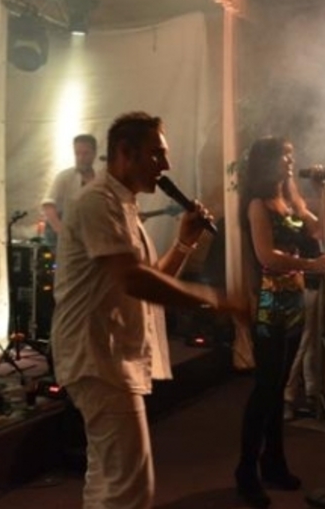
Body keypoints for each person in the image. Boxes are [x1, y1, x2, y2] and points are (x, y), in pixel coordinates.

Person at [51, 112, 245, 509]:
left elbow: (149, 279)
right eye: (157, 154)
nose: (166, 165)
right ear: (125, 152)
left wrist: (185, 242)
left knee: (108, 480)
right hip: (96, 357)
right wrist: (215, 300)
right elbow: (134, 280)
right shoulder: (98, 202)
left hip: (107, 355)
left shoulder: (124, 205)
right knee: (130, 489)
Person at [235, 136, 325, 508]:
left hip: (293, 302)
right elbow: (266, 256)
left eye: (292, 155)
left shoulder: (292, 201)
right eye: (285, 156)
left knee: (277, 388)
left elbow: (322, 231)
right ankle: (246, 470)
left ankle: (273, 462)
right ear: (267, 161)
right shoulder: (258, 204)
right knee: (266, 388)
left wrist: (322, 190)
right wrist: (311, 265)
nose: (291, 161)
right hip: (269, 305)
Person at [40, 133, 97, 247]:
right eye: (77, 153)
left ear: (94, 154)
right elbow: (48, 206)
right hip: (63, 231)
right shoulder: (65, 176)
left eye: (85, 153)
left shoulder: (100, 178)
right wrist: (61, 231)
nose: (81, 158)